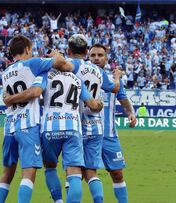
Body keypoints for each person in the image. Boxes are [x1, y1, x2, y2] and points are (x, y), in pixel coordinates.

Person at [3, 69, 104, 203]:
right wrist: (100, 104)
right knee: (74, 172)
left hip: (50, 128)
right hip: (72, 128)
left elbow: (35, 94)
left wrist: (9, 98)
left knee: (50, 167)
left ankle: (58, 201)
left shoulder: (44, 75)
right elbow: (93, 105)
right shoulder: (77, 78)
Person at [0, 34, 72, 203]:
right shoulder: (33, 63)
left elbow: (7, 99)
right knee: (28, 173)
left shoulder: (6, 72)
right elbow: (60, 64)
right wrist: (55, 55)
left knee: (7, 173)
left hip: (9, 126)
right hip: (28, 125)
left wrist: (9, 100)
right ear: (27, 49)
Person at [64, 34, 121, 203]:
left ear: (69, 50)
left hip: (75, 124)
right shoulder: (98, 70)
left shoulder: (68, 66)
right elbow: (114, 88)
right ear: (87, 52)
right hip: (96, 125)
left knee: (72, 172)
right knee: (92, 172)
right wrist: (117, 76)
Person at [89, 43, 137, 203]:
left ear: (106, 58)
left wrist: (130, 113)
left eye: (100, 55)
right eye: (93, 55)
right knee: (79, 173)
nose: (96, 58)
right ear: (88, 57)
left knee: (117, 173)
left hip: (109, 136)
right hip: (86, 134)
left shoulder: (114, 81)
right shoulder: (80, 77)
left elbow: (124, 101)